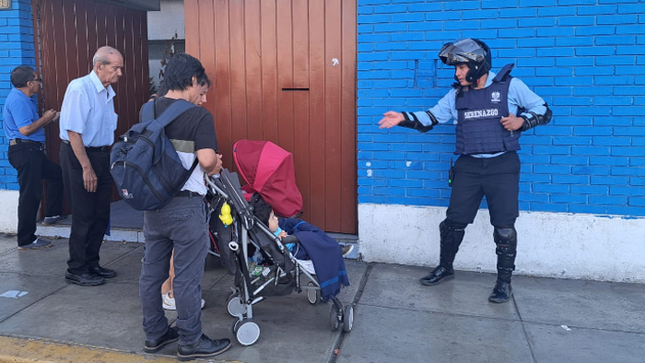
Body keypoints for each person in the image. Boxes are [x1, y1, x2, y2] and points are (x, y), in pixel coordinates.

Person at [378, 38, 552, 303]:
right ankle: (446, 267)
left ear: (478, 64)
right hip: (469, 166)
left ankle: (504, 283)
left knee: (504, 228)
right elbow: (431, 117)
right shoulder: (457, 94)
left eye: (461, 67)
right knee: (452, 223)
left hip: (502, 165)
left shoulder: (510, 86)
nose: (457, 73)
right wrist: (403, 118)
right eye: (456, 68)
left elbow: (544, 110)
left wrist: (522, 122)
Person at [138, 53, 230, 360]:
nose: (202, 97)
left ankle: (154, 334)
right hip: (185, 207)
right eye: (201, 89)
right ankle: (191, 341)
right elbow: (206, 161)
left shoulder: (147, 108)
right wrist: (215, 164)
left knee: (152, 274)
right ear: (191, 80)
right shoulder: (197, 116)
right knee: (187, 277)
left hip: (153, 204)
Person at [59, 46, 123, 286]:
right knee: (84, 213)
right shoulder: (80, 88)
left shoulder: (107, 92)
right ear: (99, 66)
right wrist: (86, 167)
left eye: (120, 68)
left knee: (100, 213)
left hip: (101, 155)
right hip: (79, 155)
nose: (119, 73)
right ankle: (76, 267)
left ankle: (91, 262)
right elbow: (73, 131)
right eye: (115, 68)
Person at [3, 65, 66, 250]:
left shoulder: (24, 99)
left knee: (57, 174)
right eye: (37, 80)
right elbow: (25, 130)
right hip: (25, 152)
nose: (39, 84)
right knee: (29, 196)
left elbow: (30, 127)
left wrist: (49, 119)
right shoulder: (19, 101)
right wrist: (45, 118)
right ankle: (26, 239)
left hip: (31, 151)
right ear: (29, 83)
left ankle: (52, 214)